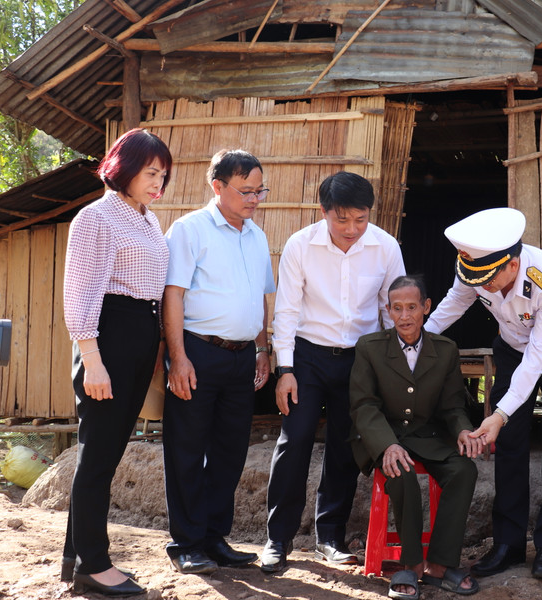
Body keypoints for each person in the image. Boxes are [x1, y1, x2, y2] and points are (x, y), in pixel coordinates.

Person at [423, 207, 542, 580]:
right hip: (511, 348)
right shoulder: (477, 267)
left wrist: (499, 412)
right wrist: (420, 341)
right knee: (509, 445)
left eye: (489, 279)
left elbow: (538, 359)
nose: (482, 286)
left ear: (513, 264)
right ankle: (508, 544)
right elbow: (456, 301)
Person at [263, 171, 405, 573]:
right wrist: (285, 370)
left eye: (360, 219)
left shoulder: (385, 246)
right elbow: (287, 312)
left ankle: (330, 537)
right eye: (342, 219)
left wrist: (393, 366)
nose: (351, 229)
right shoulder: (300, 245)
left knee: (346, 445)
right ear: (324, 212)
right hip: (306, 356)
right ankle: (278, 539)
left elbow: (390, 308)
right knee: (296, 439)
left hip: (360, 358)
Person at [62, 128, 172, 597]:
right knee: (99, 458)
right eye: (151, 173)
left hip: (139, 337)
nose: (158, 184)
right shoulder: (97, 218)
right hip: (107, 339)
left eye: (163, 176)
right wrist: (93, 360)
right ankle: (93, 564)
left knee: (104, 453)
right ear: (123, 168)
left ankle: (75, 557)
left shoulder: (148, 220)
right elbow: (81, 293)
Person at [162, 149, 275, 574]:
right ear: (217, 187)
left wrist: (263, 350)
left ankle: (214, 538)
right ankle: (186, 544)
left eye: (259, 190)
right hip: (199, 353)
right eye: (246, 190)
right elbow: (172, 295)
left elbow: (259, 300)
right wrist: (179, 358)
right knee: (187, 451)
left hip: (242, 358)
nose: (254, 199)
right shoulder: (189, 229)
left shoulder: (257, 236)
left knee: (230, 453)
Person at [350, 275, 482, 599]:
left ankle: (439, 565)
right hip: (385, 437)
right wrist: (386, 445)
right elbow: (364, 405)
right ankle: (410, 565)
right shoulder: (370, 348)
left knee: (464, 470)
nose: (405, 316)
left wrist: (463, 429)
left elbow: (452, 406)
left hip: (427, 436)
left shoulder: (446, 349)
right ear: (388, 310)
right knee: (402, 473)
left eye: (412, 307)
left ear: (426, 307)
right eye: (397, 308)